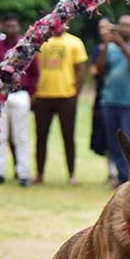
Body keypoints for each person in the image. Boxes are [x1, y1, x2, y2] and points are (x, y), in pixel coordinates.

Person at [0, 12, 37, 186]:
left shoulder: (26, 46)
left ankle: (24, 173)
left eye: (14, 26)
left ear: (18, 27)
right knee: (0, 135)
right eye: (8, 26)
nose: (11, 29)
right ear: (3, 27)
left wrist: (32, 93)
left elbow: (35, 72)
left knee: (21, 136)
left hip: (20, 94)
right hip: (1, 95)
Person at [95, 12, 130, 185]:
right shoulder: (110, 48)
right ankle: (122, 178)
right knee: (113, 142)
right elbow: (100, 69)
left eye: (128, 25)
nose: (124, 28)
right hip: (109, 100)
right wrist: (105, 46)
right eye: (121, 24)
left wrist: (121, 45)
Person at [33, 20, 88, 184]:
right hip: (43, 96)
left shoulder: (75, 42)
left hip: (66, 96)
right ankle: (40, 174)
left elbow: (80, 70)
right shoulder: (40, 42)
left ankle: (71, 174)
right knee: (41, 137)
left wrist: (76, 93)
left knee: (68, 137)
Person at [88, 17, 115, 174]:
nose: (104, 31)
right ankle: (110, 171)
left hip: (118, 95)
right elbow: (94, 71)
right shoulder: (99, 49)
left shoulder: (120, 47)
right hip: (102, 94)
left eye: (107, 28)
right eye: (101, 28)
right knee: (104, 132)